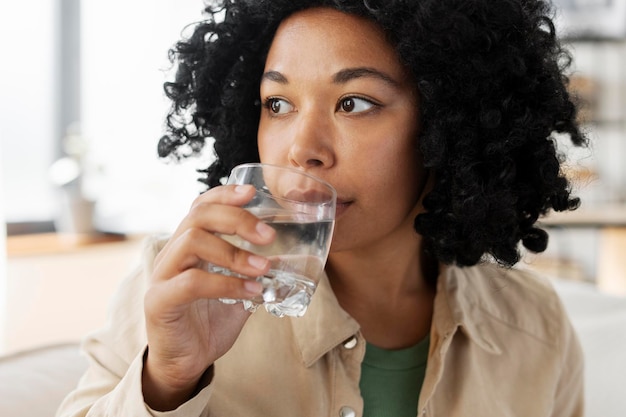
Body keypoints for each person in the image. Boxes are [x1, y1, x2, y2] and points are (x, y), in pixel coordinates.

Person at [56, 0, 588, 416]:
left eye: (354, 103)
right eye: (278, 104)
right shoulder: (179, 285)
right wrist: (167, 381)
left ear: (448, 123)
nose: (301, 147)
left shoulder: (534, 328)